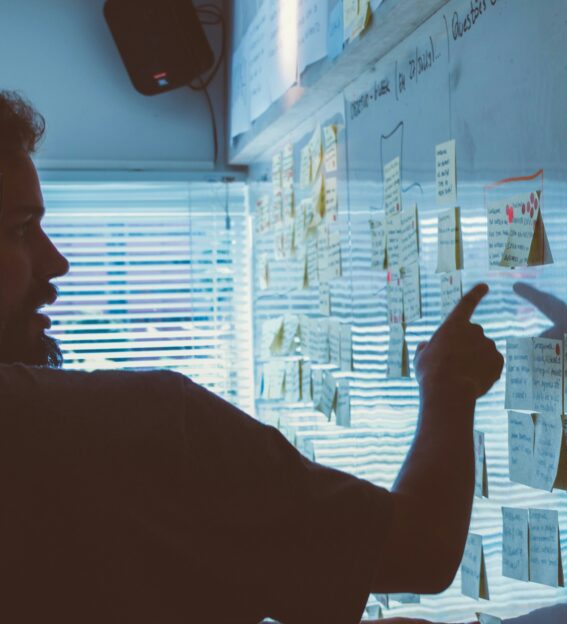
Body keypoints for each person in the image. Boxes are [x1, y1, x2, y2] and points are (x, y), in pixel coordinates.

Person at [0, 90, 504, 623]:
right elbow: (418, 547)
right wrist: (448, 384)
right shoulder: (141, 428)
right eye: (17, 229)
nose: (56, 263)